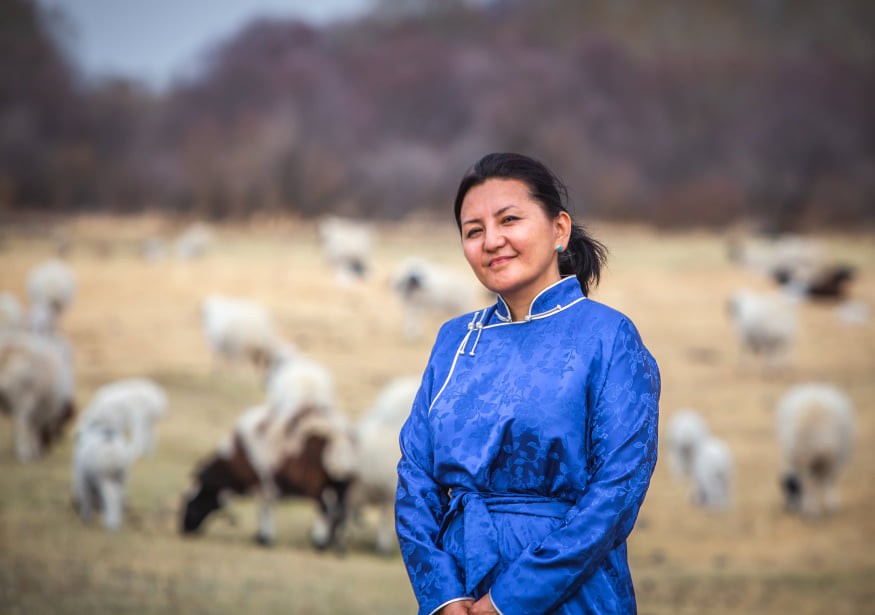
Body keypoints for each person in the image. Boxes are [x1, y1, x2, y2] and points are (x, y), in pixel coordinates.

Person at [395, 152, 661, 615]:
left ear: (559, 229)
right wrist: (444, 596)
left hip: (570, 591)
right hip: (459, 586)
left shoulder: (608, 337)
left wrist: (507, 601)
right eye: (473, 230)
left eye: (509, 220)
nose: (492, 241)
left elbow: (616, 492)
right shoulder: (454, 340)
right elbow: (415, 476)